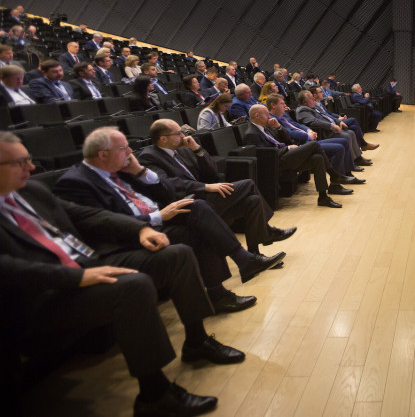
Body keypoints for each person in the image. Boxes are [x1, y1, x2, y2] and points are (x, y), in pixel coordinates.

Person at [0, 132, 231, 417]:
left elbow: (86, 215)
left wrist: (140, 228)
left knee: (177, 254)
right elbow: (7, 268)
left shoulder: (30, 191)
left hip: (85, 263)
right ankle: (154, 395)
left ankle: (197, 341)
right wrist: (76, 278)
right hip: (43, 293)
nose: (32, 167)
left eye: (29, 159)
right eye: (19, 162)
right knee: (134, 286)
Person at [53, 127, 285, 312]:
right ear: (103, 154)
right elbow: (104, 223)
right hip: (135, 234)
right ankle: (238, 267)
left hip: (159, 217)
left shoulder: (123, 169)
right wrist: (157, 216)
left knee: (200, 211)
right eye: (123, 148)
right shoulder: (75, 182)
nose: (130, 151)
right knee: (199, 211)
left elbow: (166, 191)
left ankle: (226, 285)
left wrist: (140, 171)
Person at [139, 119, 296, 254]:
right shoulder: (149, 156)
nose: (183, 136)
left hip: (201, 198)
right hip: (186, 204)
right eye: (178, 133)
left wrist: (197, 150)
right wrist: (205, 187)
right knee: (248, 184)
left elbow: (213, 171)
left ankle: (254, 253)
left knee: (252, 201)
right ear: (163, 139)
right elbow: (167, 182)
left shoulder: (182, 150)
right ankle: (267, 232)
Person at [242, 104, 346, 208]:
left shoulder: (268, 127)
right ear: (257, 115)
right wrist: (287, 148)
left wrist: (278, 127)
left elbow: (287, 139)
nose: (269, 117)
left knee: (317, 158)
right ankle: (334, 175)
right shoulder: (251, 134)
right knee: (314, 145)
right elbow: (264, 155)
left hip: (286, 157)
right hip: (276, 162)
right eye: (266, 114)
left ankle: (323, 197)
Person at [266, 94, 363, 179]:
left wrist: (309, 130)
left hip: (310, 140)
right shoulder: (273, 121)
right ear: (273, 105)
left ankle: (347, 173)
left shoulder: (284, 115)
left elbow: (297, 124)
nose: (285, 106)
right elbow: (290, 133)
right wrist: (308, 136)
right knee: (339, 148)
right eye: (282, 103)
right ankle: (338, 179)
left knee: (344, 141)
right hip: (301, 145)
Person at [295, 88, 374, 166]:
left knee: (351, 132)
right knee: (347, 135)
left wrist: (339, 121)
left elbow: (327, 115)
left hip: (330, 128)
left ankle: (358, 158)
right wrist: (332, 126)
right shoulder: (302, 110)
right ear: (304, 102)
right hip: (324, 132)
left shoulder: (312, 107)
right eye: (311, 98)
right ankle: (351, 163)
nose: (313, 99)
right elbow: (315, 121)